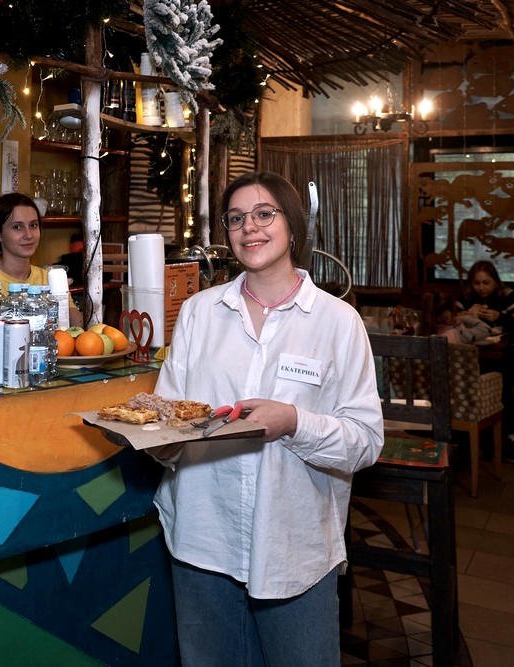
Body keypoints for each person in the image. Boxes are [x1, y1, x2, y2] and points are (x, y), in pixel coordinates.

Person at [149, 172, 384, 665]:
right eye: (236, 219)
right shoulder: (197, 313)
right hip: (203, 537)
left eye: (263, 214)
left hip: (294, 548)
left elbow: (365, 441)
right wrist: (156, 441)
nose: (249, 228)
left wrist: (294, 421)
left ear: (293, 226)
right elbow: (170, 416)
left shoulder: (337, 322)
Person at [0, 192, 82, 326]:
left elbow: (78, 325)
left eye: (33, 225)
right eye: (17, 227)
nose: (28, 235)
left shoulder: (48, 277)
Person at [455, 260, 514, 462]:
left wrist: (500, 316)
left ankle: (511, 438)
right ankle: (475, 439)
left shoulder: (508, 296)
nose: (481, 288)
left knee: (503, 381)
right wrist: (467, 315)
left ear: (495, 281)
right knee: (466, 378)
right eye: (476, 283)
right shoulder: (466, 298)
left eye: (486, 282)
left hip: (512, 355)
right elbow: (449, 321)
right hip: (477, 356)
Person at [419, 291, 492, 344]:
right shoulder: (459, 333)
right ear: (448, 315)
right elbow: (487, 330)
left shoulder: (419, 332)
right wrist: (465, 318)